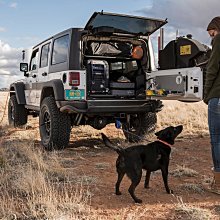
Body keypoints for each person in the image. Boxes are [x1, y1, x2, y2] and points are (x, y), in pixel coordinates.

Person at [204, 16, 220, 193]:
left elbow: (212, 68)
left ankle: (219, 183)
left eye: (212, 33)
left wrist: (206, 94)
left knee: (216, 139)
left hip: (218, 97)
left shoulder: (219, 40)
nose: (212, 37)